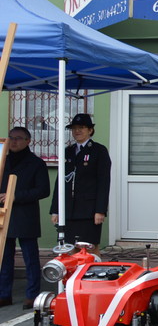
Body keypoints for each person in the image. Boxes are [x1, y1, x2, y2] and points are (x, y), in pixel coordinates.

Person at [0, 127, 51, 309]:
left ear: (28, 141)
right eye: (11, 138)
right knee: (5, 258)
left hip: (26, 215)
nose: (14, 142)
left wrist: (15, 196)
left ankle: (32, 295)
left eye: (19, 138)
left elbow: (43, 190)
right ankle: (4, 294)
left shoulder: (36, 163)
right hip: (5, 216)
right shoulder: (3, 161)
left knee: (30, 258)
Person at [50, 113, 111, 255]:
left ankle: (91, 276)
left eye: (81, 127)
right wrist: (55, 209)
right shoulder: (68, 151)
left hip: (88, 210)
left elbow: (104, 182)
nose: (77, 131)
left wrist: (100, 210)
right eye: (74, 128)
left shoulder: (98, 151)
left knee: (89, 249)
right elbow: (60, 182)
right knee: (69, 248)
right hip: (69, 210)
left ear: (90, 130)